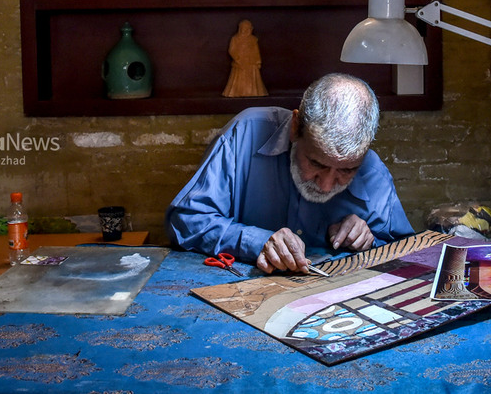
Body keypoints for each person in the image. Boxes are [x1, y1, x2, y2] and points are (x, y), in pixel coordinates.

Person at [165, 73, 414, 274]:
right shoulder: (246, 134)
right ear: (295, 127)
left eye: (347, 170)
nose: (327, 186)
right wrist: (254, 240)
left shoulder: (372, 170)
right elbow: (186, 220)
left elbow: (407, 253)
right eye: (316, 164)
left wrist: (369, 240)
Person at [222, 20, 268, 97]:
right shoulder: (235, 38)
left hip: (251, 62)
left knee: (253, 79)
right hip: (240, 62)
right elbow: (231, 50)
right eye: (245, 28)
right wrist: (238, 59)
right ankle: (236, 92)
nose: (247, 30)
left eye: (249, 29)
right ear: (240, 29)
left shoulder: (253, 39)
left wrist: (258, 61)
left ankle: (253, 92)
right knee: (239, 78)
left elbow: (256, 51)